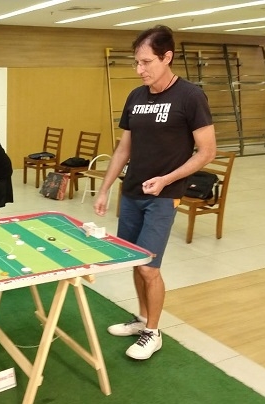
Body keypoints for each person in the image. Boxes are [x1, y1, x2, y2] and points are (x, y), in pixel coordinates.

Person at [93, 25, 216, 360]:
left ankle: (153, 332)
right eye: (137, 63)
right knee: (135, 261)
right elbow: (123, 150)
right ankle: (143, 319)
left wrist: (166, 179)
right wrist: (104, 189)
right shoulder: (136, 96)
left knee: (149, 267)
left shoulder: (190, 96)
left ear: (167, 57)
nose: (140, 69)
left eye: (146, 62)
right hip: (132, 192)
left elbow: (207, 152)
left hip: (164, 195)